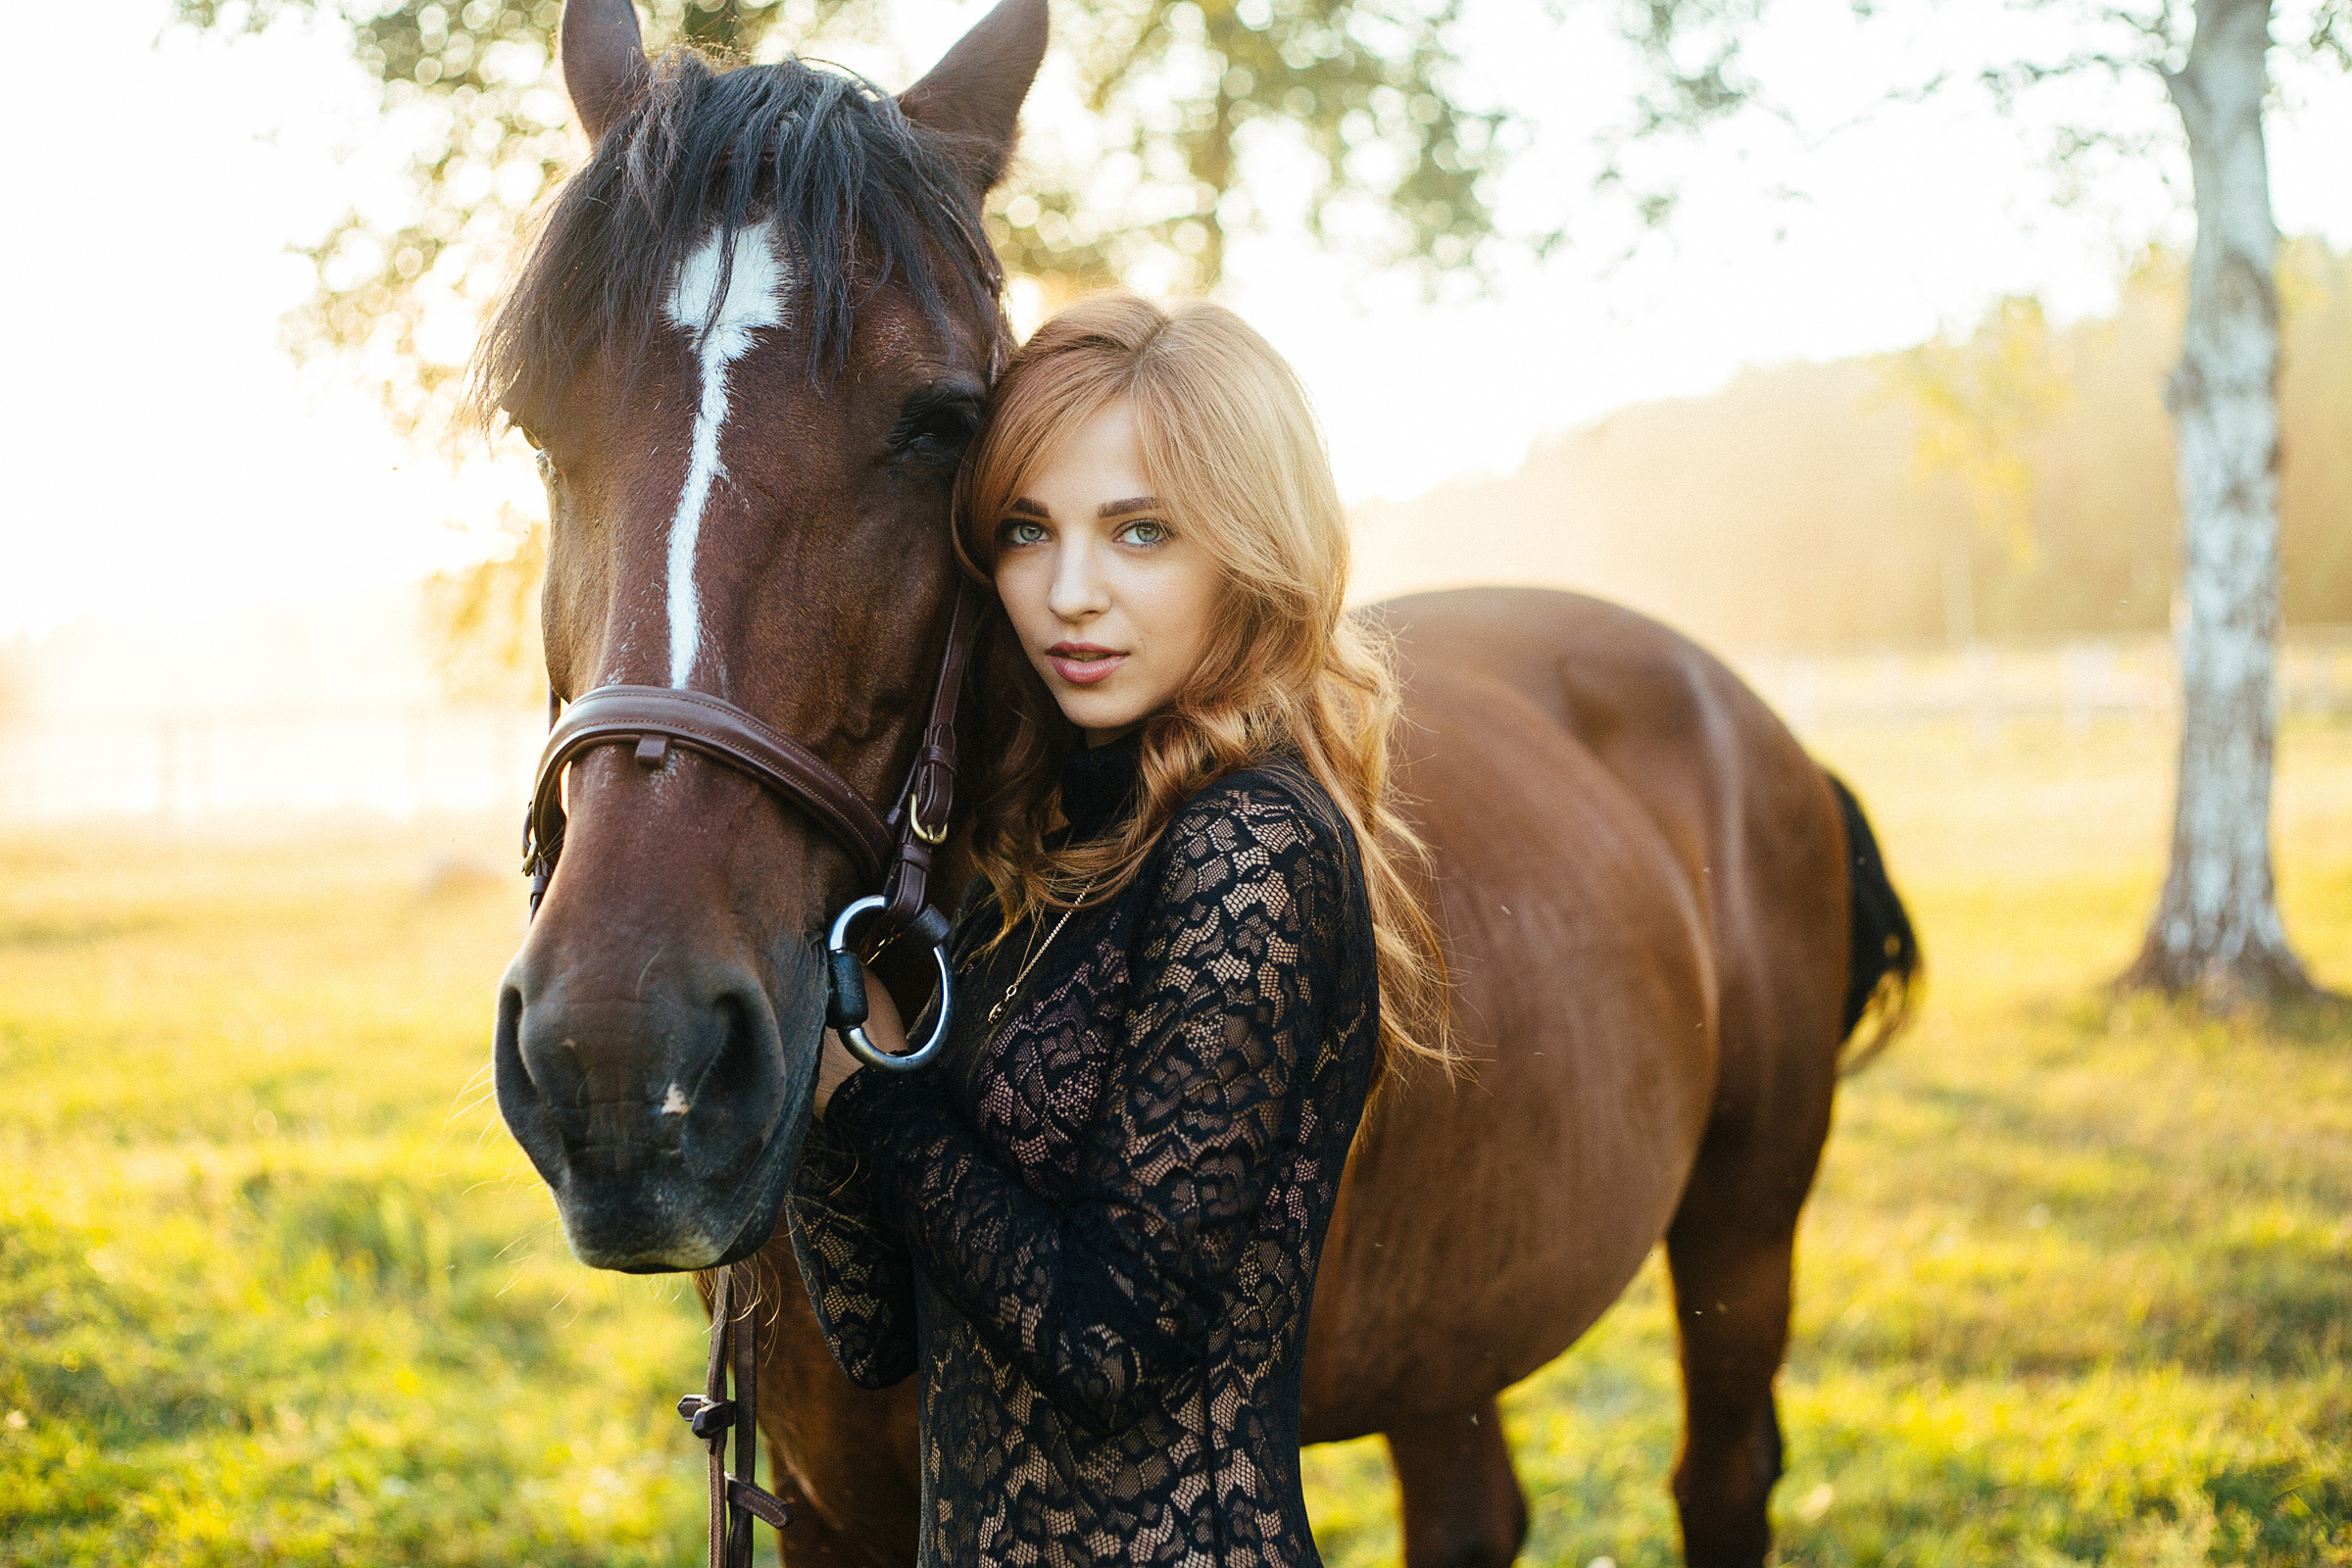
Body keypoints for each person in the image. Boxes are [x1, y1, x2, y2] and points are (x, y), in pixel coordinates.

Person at [786, 291, 1450, 1568]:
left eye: (1140, 532)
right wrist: (822, 1057)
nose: (1069, 594)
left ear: (1251, 548)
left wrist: (871, 1103)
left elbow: (1109, 1344)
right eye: (1027, 532)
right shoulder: (1024, 856)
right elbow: (879, 1336)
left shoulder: (1255, 850)